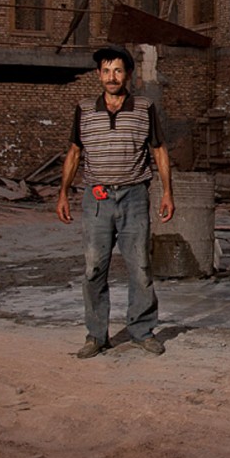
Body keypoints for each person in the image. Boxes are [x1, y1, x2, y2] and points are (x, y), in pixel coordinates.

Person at [57, 45, 174, 359]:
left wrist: (166, 192)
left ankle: (141, 331)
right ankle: (96, 336)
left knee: (140, 267)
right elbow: (74, 153)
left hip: (135, 197)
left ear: (128, 75)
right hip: (97, 199)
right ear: (99, 75)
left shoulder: (144, 108)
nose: (112, 77)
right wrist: (63, 194)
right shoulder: (84, 110)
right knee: (94, 268)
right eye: (106, 71)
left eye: (118, 71)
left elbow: (159, 151)